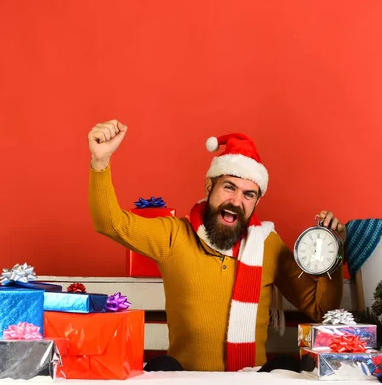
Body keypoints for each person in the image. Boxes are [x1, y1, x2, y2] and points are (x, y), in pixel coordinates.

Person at [88, 120, 346, 372]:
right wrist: (100, 162)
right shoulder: (174, 234)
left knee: (286, 367)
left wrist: (333, 248)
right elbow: (110, 223)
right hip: (185, 381)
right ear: (209, 186)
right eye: (229, 187)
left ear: (256, 203)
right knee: (161, 368)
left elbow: (320, 309)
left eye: (248, 194)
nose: (236, 201)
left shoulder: (267, 244)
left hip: (249, 380)